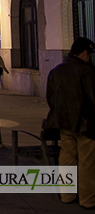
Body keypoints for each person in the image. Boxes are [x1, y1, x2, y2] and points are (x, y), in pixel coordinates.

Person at [46, 37, 95, 210]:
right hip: (84, 125)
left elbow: (50, 97)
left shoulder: (57, 70)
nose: (90, 58)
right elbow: (92, 99)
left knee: (67, 159)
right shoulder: (86, 71)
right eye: (89, 54)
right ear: (83, 53)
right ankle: (87, 200)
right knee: (87, 162)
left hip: (64, 124)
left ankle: (67, 195)